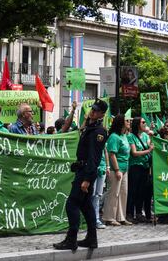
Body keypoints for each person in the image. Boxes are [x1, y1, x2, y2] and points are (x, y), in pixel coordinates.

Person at [53, 99, 108, 250]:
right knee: (86, 206)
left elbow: (93, 158)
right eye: (92, 109)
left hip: (86, 172)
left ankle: (71, 239)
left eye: (96, 111)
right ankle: (91, 238)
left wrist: (87, 179)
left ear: (102, 114)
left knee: (72, 204)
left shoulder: (99, 132)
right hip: (82, 169)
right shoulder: (90, 128)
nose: (92, 111)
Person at [102, 114, 132, 226]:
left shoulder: (124, 136)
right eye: (127, 120)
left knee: (123, 193)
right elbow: (112, 154)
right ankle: (109, 217)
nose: (129, 122)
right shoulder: (114, 137)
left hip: (125, 168)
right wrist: (117, 169)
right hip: (117, 169)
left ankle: (121, 217)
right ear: (121, 122)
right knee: (113, 193)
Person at [126, 117, 154, 223]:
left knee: (141, 191)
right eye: (143, 122)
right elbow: (134, 153)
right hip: (135, 166)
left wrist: (151, 137)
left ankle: (138, 213)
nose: (145, 123)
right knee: (133, 190)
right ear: (138, 124)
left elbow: (150, 145)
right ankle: (129, 213)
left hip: (145, 167)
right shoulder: (131, 137)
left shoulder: (146, 135)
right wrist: (148, 151)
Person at [92, 147, 109, 229]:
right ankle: (91, 219)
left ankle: (96, 219)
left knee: (98, 195)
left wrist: (107, 166)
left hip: (102, 167)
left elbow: (105, 151)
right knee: (92, 194)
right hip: (92, 167)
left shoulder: (102, 136)